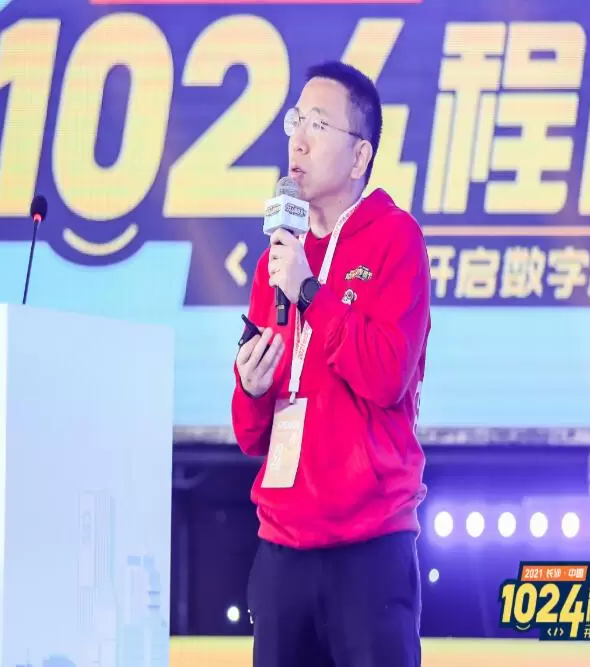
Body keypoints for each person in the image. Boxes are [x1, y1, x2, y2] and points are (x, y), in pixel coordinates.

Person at [231, 60, 431, 667]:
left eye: (318, 125)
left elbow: (387, 375)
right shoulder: (278, 258)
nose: (298, 139)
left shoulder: (395, 240)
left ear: (359, 155)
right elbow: (251, 435)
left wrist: (311, 293)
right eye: (296, 120)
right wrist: (250, 387)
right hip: (282, 547)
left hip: (368, 548)